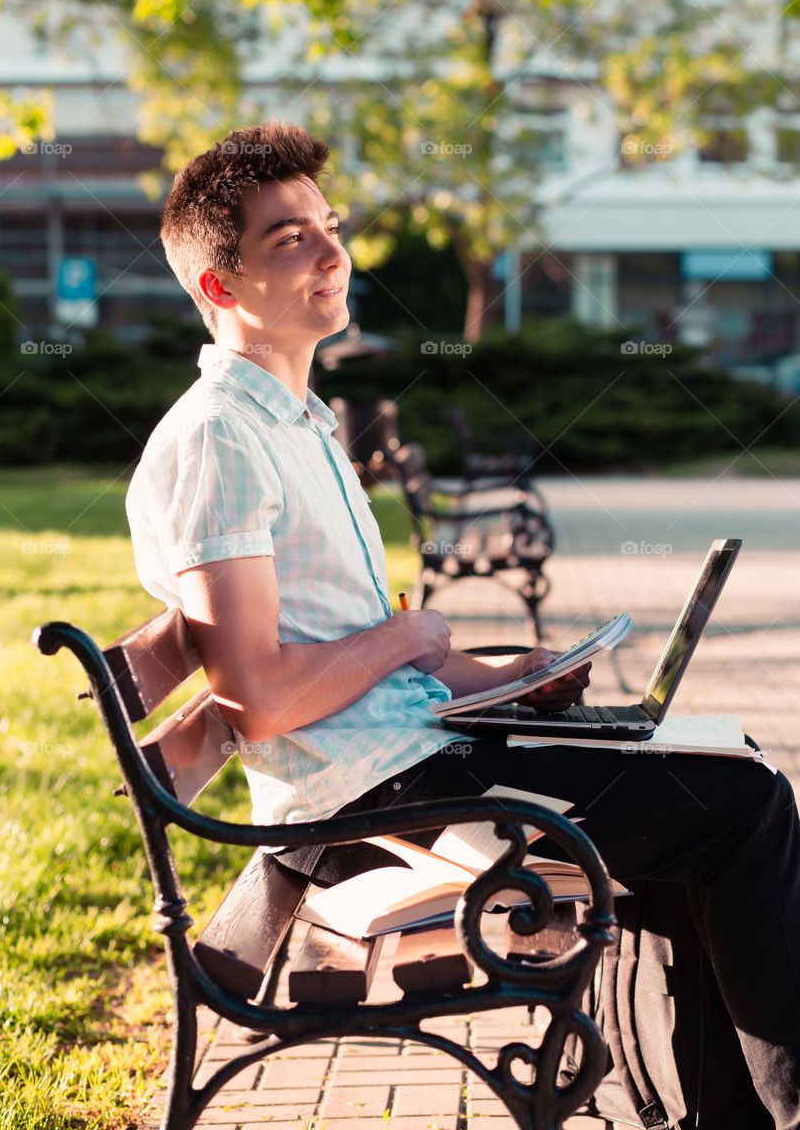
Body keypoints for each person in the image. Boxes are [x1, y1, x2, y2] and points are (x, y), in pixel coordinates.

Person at [127, 119, 800, 1130]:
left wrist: (505, 673)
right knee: (745, 803)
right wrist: (414, 638)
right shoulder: (222, 437)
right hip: (369, 802)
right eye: (288, 239)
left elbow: (347, 662)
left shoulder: (296, 420)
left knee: (717, 771)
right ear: (219, 287)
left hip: (407, 761)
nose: (330, 250)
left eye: (327, 224)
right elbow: (258, 699)